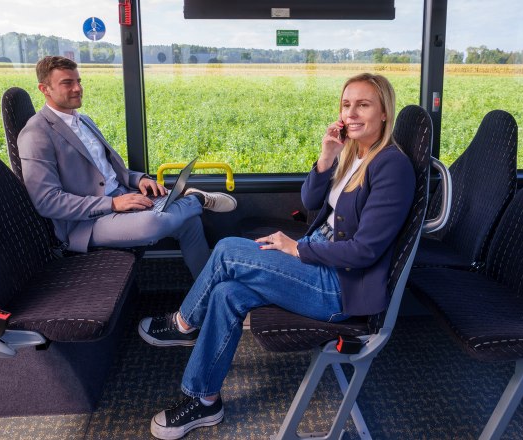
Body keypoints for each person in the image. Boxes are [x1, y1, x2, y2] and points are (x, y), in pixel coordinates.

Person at [137, 73, 416, 439]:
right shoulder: (354, 154)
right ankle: (204, 401)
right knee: (225, 294)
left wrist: (297, 248)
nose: (351, 113)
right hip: (317, 266)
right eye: (346, 105)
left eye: (363, 105)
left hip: (337, 287)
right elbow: (311, 202)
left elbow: (365, 251)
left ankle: (184, 324)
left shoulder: (391, 166)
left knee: (225, 251)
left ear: (384, 113)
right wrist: (326, 157)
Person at [18, 56, 236, 278]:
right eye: (67, 83)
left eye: (79, 81)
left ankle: (208, 288)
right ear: (44, 89)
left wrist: (139, 180)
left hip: (123, 196)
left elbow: (111, 172)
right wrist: (112, 203)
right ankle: (196, 199)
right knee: (152, 224)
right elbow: (47, 201)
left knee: (190, 222)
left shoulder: (84, 121)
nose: (78, 88)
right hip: (86, 223)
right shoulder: (36, 134)